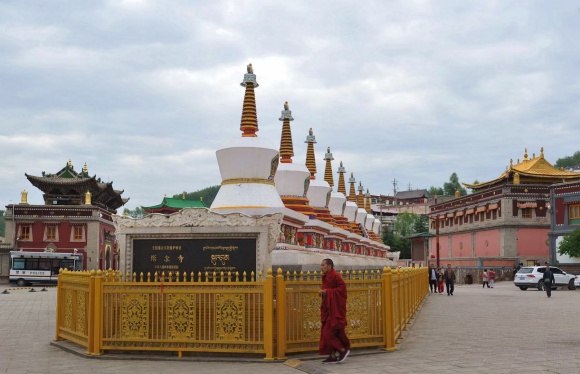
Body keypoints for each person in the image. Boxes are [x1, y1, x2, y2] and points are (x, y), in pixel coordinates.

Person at [319, 258, 350, 364]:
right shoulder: (326, 277)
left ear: (329, 266)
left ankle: (342, 350)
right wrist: (324, 293)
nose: (321, 267)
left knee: (328, 333)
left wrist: (327, 292)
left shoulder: (336, 276)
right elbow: (328, 290)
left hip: (335, 309)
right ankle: (332, 355)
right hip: (328, 309)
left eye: (323, 265)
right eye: (321, 265)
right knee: (331, 333)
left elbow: (342, 290)